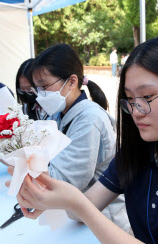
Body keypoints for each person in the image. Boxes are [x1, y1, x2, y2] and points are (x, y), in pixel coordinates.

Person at [15, 35, 158, 244]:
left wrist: (78, 204)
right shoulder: (139, 152)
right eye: (129, 99)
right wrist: (49, 193)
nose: (136, 111)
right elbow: (79, 210)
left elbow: (82, 208)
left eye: (147, 97)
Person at [22, 43, 130, 231]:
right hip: (75, 215)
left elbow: (62, 180)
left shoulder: (89, 120)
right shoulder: (57, 113)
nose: (40, 95)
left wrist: (17, 157)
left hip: (102, 220)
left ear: (72, 81)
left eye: (45, 86)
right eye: (37, 89)